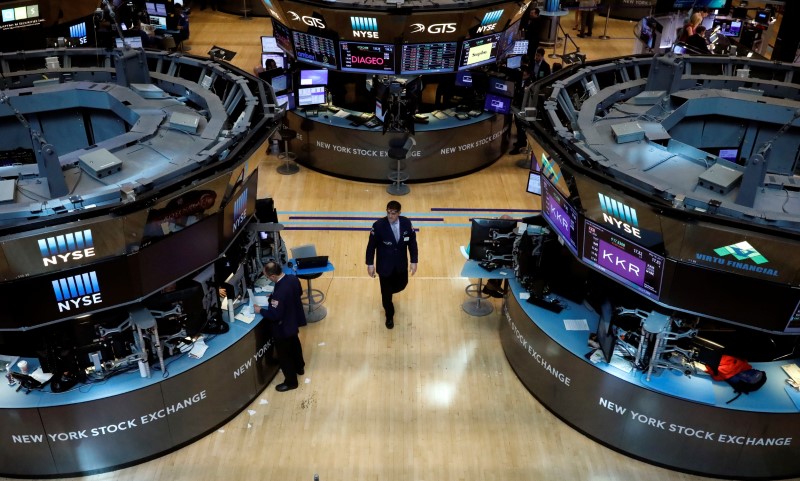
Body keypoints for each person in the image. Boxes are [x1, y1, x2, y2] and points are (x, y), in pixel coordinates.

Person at [254, 261, 306, 392]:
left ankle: (291, 382)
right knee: (295, 344)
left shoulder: (279, 292)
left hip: (283, 328)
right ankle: (300, 367)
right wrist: (273, 297)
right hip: (294, 321)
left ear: (272, 277)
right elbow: (298, 293)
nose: (267, 279)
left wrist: (260, 310)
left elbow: (274, 315)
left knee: (285, 356)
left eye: (267, 277)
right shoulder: (293, 279)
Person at [365, 200, 418, 329]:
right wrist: (370, 264)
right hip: (385, 267)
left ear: (399, 213)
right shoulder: (378, 226)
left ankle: (387, 292)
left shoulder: (406, 223)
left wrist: (414, 261)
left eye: (393, 213)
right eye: (388, 213)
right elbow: (371, 247)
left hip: (400, 264)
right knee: (386, 295)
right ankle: (389, 315)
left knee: (402, 284)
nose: (390, 216)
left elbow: (412, 243)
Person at [509, 66, 535, 155]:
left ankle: (519, 146)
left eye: (524, 71)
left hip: (522, 109)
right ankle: (522, 142)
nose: (522, 72)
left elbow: (524, 96)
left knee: (520, 128)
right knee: (517, 126)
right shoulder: (520, 80)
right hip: (517, 107)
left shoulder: (530, 84)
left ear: (528, 74)